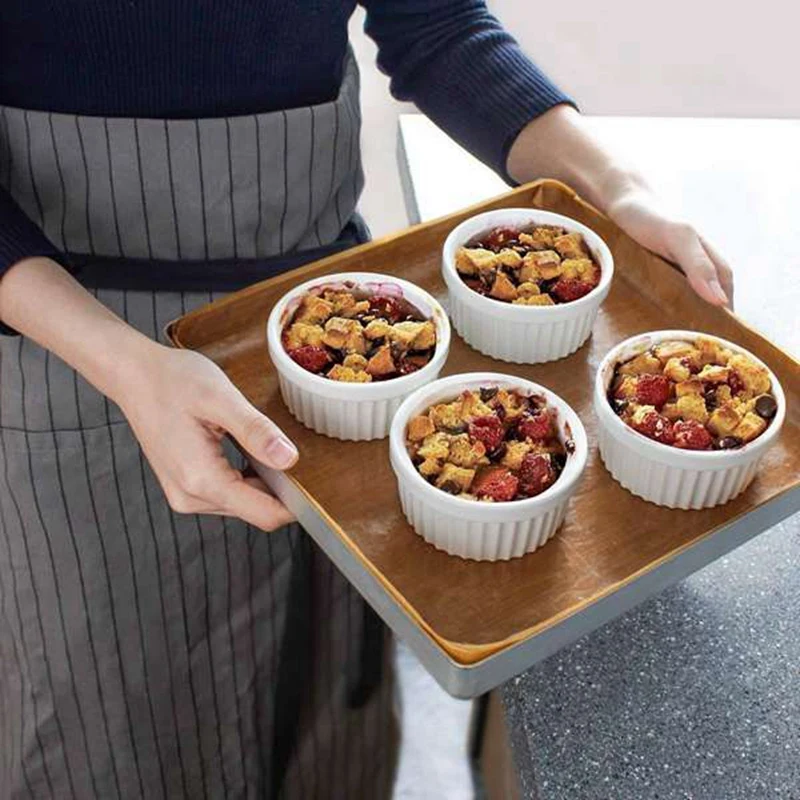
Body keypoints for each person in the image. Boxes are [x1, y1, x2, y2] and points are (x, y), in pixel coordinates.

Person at [0, 2, 733, 798]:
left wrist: (619, 191)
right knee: (116, 728)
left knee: (325, 716)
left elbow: (437, 25)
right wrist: (123, 364)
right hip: (72, 342)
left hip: (338, 324)